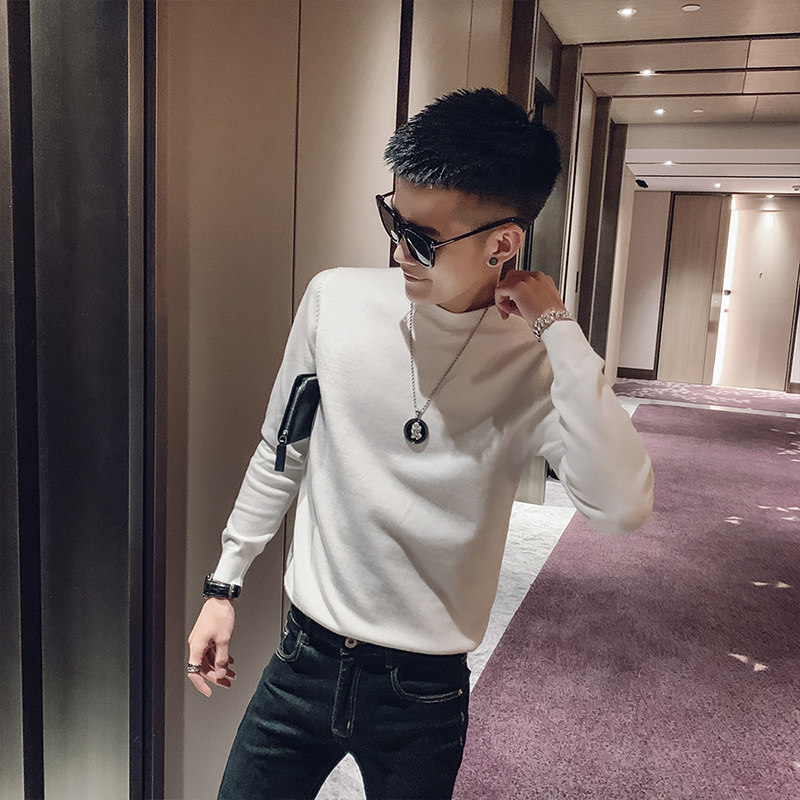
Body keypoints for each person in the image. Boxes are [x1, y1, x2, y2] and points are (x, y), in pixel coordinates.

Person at [186, 87, 654, 800]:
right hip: (302, 659)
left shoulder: (535, 363)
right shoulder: (334, 301)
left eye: (425, 239)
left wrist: (557, 327)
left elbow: (620, 507)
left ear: (503, 243)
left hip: (423, 694)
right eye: (393, 221)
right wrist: (224, 585)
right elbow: (281, 452)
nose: (399, 252)